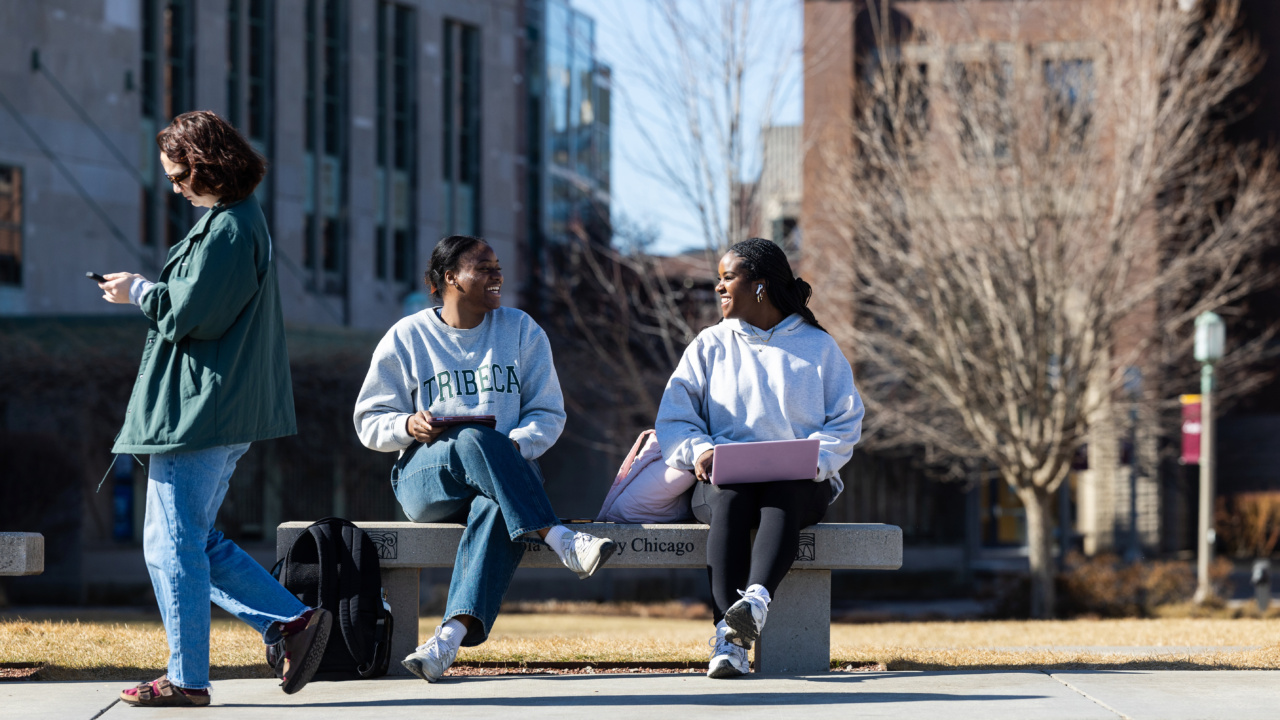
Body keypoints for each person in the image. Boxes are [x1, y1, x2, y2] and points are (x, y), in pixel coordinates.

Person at [99, 110, 331, 707]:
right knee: (189, 540)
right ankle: (291, 623)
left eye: (178, 176)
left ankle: (189, 678)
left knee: (171, 544)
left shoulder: (230, 228)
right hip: (209, 408)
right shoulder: (232, 223)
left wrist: (139, 291)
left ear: (207, 167)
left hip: (201, 411)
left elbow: (190, 314)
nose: (174, 187)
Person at [354, 234, 618, 683]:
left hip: (502, 477)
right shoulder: (409, 335)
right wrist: (408, 427)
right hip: (427, 480)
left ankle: (446, 640)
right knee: (473, 437)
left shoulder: (520, 330)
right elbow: (368, 420)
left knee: (494, 499)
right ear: (448, 278)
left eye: (498, 265)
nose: (497, 274)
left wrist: (510, 448)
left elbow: (548, 413)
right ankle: (557, 535)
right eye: (484, 266)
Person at [655, 238, 864, 679]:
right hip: (723, 484)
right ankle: (728, 641)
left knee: (784, 492)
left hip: (800, 486)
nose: (718, 287)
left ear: (761, 286)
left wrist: (815, 460)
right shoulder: (709, 345)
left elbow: (845, 425)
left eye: (728, 277)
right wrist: (702, 450)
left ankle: (752, 605)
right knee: (731, 497)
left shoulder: (819, 348)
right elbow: (674, 419)